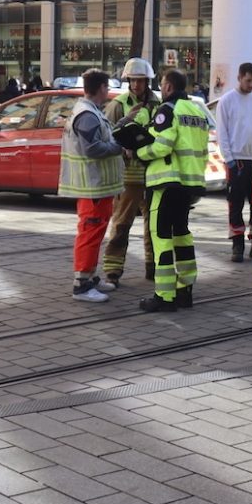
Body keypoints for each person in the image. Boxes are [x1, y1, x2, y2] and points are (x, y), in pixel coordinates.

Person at [136, 69, 210, 312]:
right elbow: (202, 149)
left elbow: (162, 146)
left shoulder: (167, 110)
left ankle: (164, 296)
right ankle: (184, 291)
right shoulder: (197, 112)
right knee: (181, 236)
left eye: (162, 84)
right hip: (189, 185)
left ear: (168, 86)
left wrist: (139, 152)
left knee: (161, 238)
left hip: (166, 184)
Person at [58, 69, 125, 303]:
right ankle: (82, 285)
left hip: (97, 187)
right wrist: (118, 148)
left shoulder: (91, 111)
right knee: (90, 233)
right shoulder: (87, 114)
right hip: (92, 186)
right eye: (107, 87)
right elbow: (93, 148)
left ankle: (89, 277)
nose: (108, 91)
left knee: (95, 233)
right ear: (102, 88)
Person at [101, 57, 160, 287]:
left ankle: (153, 267)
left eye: (140, 80)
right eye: (133, 80)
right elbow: (106, 136)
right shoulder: (118, 105)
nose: (136, 85)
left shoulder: (158, 105)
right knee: (121, 225)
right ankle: (112, 271)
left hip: (153, 174)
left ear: (147, 81)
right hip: (128, 177)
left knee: (154, 226)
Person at [216, 62, 252, 263]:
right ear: (239, 78)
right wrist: (229, 159)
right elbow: (222, 133)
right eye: (248, 80)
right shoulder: (227, 101)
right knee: (235, 205)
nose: (251, 84)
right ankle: (237, 245)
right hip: (237, 160)